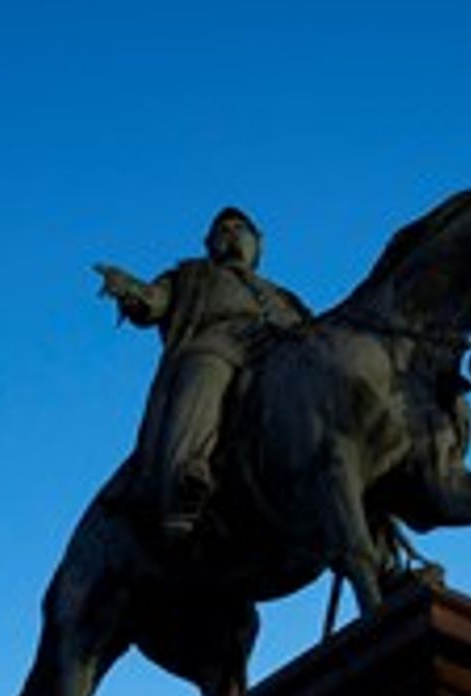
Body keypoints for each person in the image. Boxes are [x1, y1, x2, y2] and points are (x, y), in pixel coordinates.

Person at [97, 207, 312, 539]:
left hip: (278, 358)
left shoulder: (285, 297)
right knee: (205, 369)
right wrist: (130, 289)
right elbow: (153, 303)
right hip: (216, 347)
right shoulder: (188, 275)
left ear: (258, 243)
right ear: (209, 243)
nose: (231, 234)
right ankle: (184, 479)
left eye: (240, 229)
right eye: (222, 230)